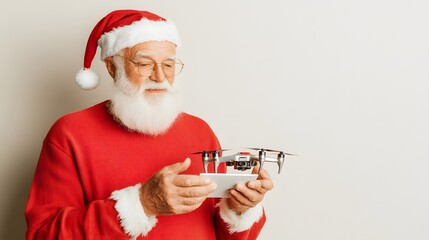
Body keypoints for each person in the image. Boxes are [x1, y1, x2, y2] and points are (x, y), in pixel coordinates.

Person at [25, 10, 273, 239]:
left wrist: (239, 208)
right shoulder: (69, 133)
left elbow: (224, 235)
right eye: (144, 64)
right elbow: (42, 234)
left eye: (168, 64)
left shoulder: (200, 131)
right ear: (113, 67)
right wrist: (143, 203)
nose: (160, 77)